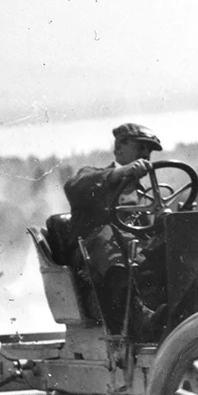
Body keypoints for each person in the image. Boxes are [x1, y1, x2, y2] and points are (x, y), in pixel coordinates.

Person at [63, 123, 167, 329]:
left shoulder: (143, 196)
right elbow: (74, 188)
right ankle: (137, 315)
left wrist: (163, 224)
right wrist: (120, 174)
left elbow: (146, 237)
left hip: (130, 255)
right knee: (108, 233)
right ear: (119, 147)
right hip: (92, 260)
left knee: (174, 236)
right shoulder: (92, 175)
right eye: (141, 147)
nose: (146, 154)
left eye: (150, 151)